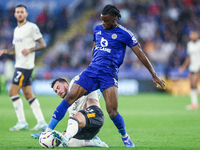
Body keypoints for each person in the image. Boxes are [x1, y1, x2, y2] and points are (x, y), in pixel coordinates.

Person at [47, 4, 166, 147]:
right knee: (68, 98)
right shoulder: (97, 28)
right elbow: (95, 47)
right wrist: (93, 63)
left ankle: (125, 136)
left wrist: (154, 74)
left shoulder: (125, 34)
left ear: (115, 19)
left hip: (108, 75)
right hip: (92, 71)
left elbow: (140, 54)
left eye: (106, 21)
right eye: (102, 20)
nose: (103, 23)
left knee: (112, 112)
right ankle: (47, 131)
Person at [0, 5, 47, 131]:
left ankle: (21, 122)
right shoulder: (16, 30)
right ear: (15, 14)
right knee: (28, 94)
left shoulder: (32, 27)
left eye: (22, 12)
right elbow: (15, 50)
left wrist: (30, 49)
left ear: (26, 14)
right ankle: (41, 122)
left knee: (12, 92)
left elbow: (43, 44)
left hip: (25, 66)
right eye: (17, 12)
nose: (20, 14)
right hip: (20, 64)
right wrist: (5, 51)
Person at [32, 77, 108, 147]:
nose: (58, 91)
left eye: (58, 87)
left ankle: (65, 136)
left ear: (65, 84)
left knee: (72, 120)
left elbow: (87, 75)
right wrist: (50, 135)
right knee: (58, 142)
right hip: (86, 128)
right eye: (56, 91)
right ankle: (92, 142)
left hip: (95, 116)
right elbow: (74, 125)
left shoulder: (75, 83)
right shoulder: (70, 107)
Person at [179, 31, 200, 110]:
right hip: (192, 67)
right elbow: (189, 57)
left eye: (194, 34)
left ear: (197, 35)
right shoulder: (189, 44)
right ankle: (194, 103)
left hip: (198, 66)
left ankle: (194, 104)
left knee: (194, 84)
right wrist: (183, 66)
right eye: (191, 35)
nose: (193, 36)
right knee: (192, 85)